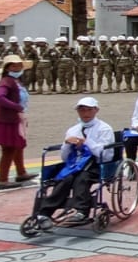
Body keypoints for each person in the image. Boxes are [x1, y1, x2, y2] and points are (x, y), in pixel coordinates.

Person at [36, 97, 117, 227]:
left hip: (97, 164)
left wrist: (87, 143)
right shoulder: (73, 130)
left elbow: (106, 155)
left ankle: (81, 211)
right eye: (82, 110)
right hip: (74, 164)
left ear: (96, 110)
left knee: (82, 178)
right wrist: (67, 145)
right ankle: (44, 213)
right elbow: (64, 158)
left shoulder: (104, 129)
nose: (85, 113)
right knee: (64, 179)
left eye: (89, 110)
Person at [0, 55, 34, 190]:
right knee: (9, 149)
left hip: (15, 118)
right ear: (7, 68)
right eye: (13, 66)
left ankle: (21, 172)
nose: (17, 68)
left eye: (19, 65)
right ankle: (2, 180)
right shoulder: (7, 81)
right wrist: (15, 106)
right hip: (6, 120)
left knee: (19, 145)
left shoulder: (16, 81)